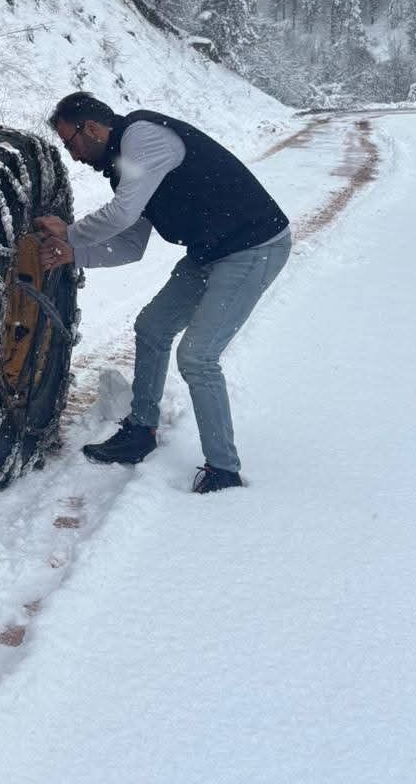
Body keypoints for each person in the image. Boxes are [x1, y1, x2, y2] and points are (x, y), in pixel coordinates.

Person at [37, 92, 291, 493]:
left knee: (197, 355)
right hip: (211, 251)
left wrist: (69, 231)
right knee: (152, 328)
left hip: (254, 247)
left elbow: (120, 215)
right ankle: (141, 431)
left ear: (90, 128)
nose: (73, 155)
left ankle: (224, 470)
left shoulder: (143, 136)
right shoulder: (127, 167)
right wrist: (74, 253)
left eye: (71, 143)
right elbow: (129, 245)